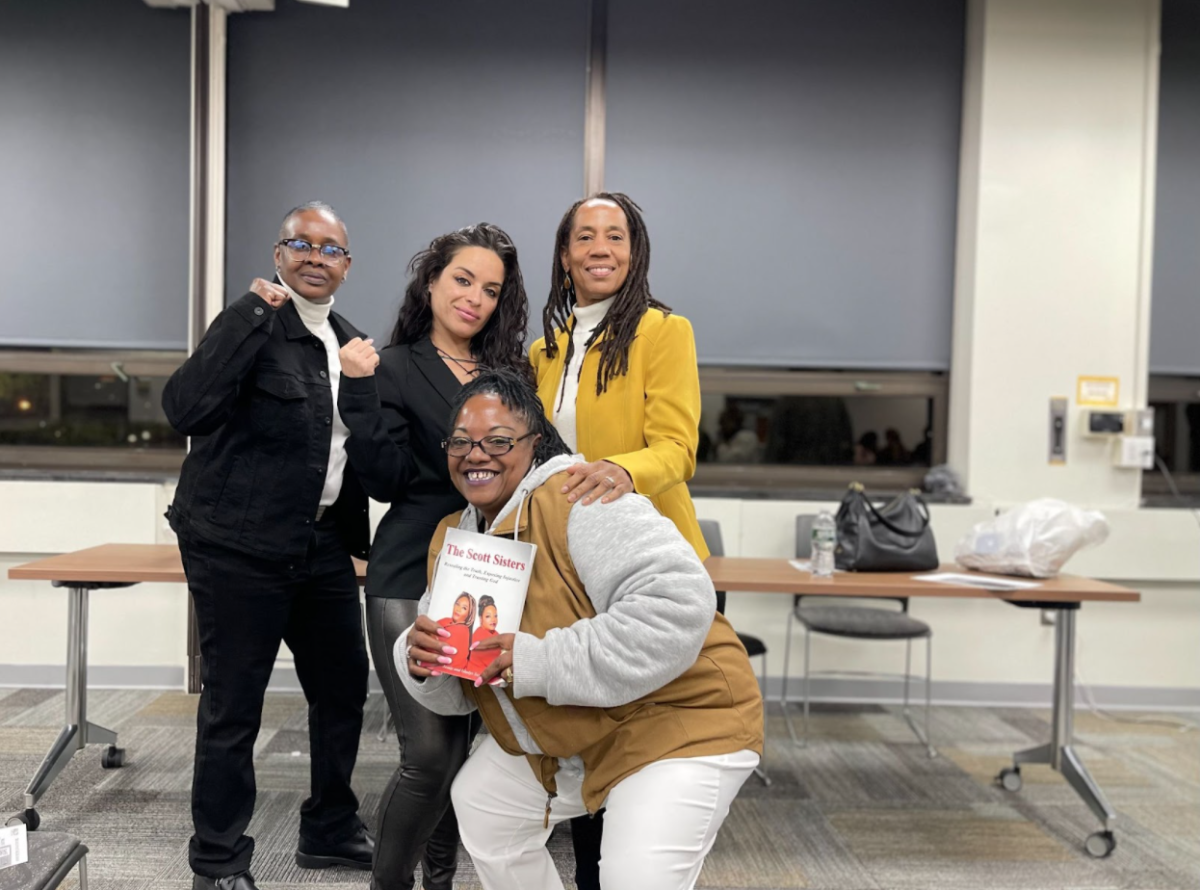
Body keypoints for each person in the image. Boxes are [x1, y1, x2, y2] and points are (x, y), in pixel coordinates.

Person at [400, 369, 763, 890]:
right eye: (461, 442)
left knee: (631, 879)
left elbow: (682, 602)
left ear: (536, 443)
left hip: (681, 721)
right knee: (483, 803)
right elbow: (459, 693)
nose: (476, 454)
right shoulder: (456, 538)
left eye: (499, 440)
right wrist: (418, 660)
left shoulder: (578, 500)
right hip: (583, 730)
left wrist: (535, 661)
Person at [163, 201, 375, 890]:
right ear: (279, 253)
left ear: (348, 264)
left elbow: (341, 462)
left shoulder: (351, 344)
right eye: (301, 243)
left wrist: (357, 547)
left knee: (344, 688)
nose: (316, 257)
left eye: (331, 248)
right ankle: (219, 862)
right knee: (235, 704)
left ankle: (329, 828)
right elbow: (184, 409)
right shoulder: (255, 325)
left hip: (317, 547)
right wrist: (248, 314)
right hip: (237, 546)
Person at [336, 223, 530, 890]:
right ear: (431, 282)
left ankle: (439, 882)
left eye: (491, 290)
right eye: (463, 280)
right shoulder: (391, 366)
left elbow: (544, 461)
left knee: (460, 752)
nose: (475, 297)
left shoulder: (509, 379)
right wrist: (358, 390)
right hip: (407, 575)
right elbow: (384, 480)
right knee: (425, 753)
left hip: (484, 577)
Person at [530, 192, 710, 887]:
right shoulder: (542, 350)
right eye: (585, 237)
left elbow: (677, 449)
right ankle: (588, 875)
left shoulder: (664, 331)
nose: (600, 247)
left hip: (646, 561)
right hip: (571, 566)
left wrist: (618, 471)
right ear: (566, 255)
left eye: (616, 235)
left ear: (634, 252)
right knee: (582, 724)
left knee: (639, 730)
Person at [470, 595, 501, 673]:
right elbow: (497, 664)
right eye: (488, 616)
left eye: (495, 616)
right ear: (481, 619)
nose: (493, 620)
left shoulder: (494, 633)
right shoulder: (479, 636)